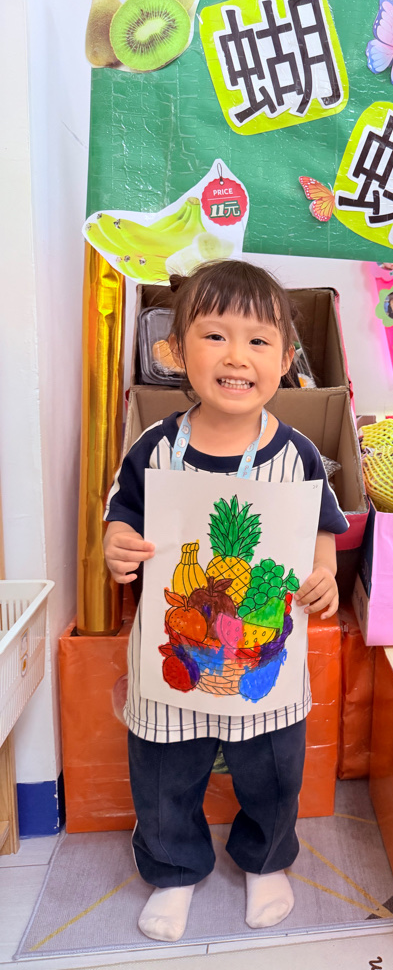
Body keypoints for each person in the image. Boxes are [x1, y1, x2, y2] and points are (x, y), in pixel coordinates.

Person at [103, 260, 349, 944]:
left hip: (263, 661)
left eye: (258, 341)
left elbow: (322, 534)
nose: (237, 356)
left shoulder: (298, 455)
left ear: (286, 360)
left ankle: (265, 861)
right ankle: (174, 869)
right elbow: (120, 518)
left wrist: (324, 575)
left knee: (274, 772)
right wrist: (117, 546)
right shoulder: (154, 449)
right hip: (175, 656)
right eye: (214, 336)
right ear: (175, 351)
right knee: (163, 773)